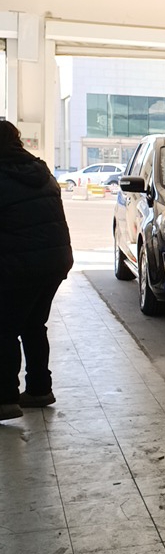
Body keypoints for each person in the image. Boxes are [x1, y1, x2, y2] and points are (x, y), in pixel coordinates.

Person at [0, 120, 74, 421]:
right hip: (55, 261)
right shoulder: (40, 171)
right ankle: (40, 389)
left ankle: (5, 399)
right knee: (33, 324)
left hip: (21, 265)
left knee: (4, 329)